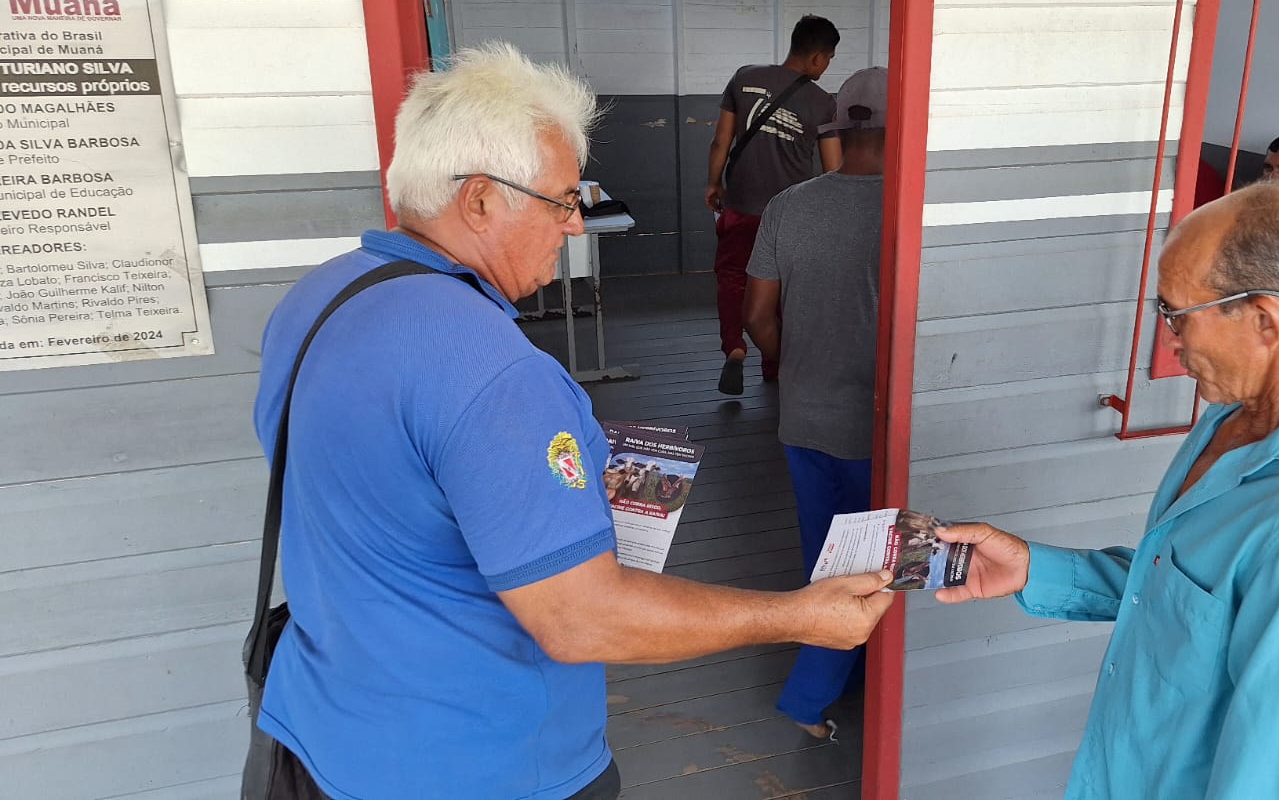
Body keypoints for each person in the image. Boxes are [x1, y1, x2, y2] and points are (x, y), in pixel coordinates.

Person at [246, 43, 894, 800]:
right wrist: (800, 616)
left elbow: (390, 484)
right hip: (481, 768)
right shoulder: (496, 373)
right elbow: (582, 620)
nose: (575, 227)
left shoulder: (322, 297)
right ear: (481, 199)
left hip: (324, 734)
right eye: (562, 200)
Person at [935, 184, 1279, 799]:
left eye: (1176, 315)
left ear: (1264, 320)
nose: (1168, 341)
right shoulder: (1236, 417)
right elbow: (1180, 590)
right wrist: (1037, 570)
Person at [743, 66, 887, 738]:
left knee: (824, 554)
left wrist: (794, 365)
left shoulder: (788, 206)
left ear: (837, 127)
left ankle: (845, 664)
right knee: (872, 566)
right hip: (876, 428)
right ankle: (808, 699)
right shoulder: (908, 213)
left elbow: (757, 316)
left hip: (802, 416)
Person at [705, 14, 842, 396]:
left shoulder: (744, 76)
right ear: (818, 57)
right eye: (828, 59)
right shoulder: (823, 103)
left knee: (733, 280)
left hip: (740, 207)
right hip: (790, 216)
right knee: (782, 289)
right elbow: (833, 169)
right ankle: (775, 365)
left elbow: (721, 141)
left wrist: (714, 182)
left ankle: (734, 347)